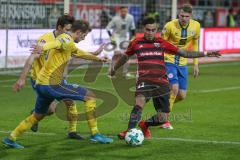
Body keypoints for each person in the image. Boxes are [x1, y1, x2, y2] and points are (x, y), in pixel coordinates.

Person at [3, 20, 113, 149]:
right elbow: (55, 43)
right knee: (90, 97)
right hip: (52, 84)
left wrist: (99, 58)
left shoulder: (69, 43)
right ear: (78, 32)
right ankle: (95, 134)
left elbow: (80, 53)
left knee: (38, 115)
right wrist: (42, 47)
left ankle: (11, 138)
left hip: (41, 84)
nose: (83, 39)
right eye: (83, 36)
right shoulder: (66, 39)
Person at [108, 17, 220, 139]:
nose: (150, 32)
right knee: (139, 104)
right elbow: (125, 57)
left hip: (161, 82)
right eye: (147, 30)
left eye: (153, 30)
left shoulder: (161, 42)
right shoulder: (136, 43)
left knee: (163, 118)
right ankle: (129, 131)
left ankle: (145, 124)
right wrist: (114, 69)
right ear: (143, 29)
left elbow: (184, 53)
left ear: (156, 29)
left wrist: (206, 53)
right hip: (144, 80)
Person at [159, 4, 201, 129]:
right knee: (174, 89)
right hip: (169, 60)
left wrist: (195, 64)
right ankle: (165, 120)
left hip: (182, 62)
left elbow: (194, 44)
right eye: (181, 15)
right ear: (179, 14)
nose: (183, 18)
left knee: (181, 95)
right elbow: (161, 44)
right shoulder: (169, 26)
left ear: (190, 16)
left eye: (186, 16)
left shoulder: (196, 26)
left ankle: (164, 106)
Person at [106, 6, 136, 78]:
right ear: (120, 11)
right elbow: (108, 28)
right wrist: (111, 37)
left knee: (126, 55)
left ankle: (125, 73)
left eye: (125, 11)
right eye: (122, 11)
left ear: (127, 11)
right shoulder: (115, 18)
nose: (124, 13)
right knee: (117, 54)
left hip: (125, 37)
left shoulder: (130, 17)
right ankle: (110, 72)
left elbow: (133, 29)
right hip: (116, 37)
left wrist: (133, 37)